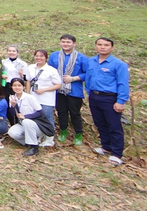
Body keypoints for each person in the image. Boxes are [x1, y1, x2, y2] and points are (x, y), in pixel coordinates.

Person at [86, 37, 130, 166]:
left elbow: (123, 83)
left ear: (112, 48)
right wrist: (89, 92)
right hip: (94, 96)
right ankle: (106, 146)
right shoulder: (91, 61)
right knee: (100, 123)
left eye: (106, 45)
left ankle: (116, 154)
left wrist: (120, 101)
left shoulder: (119, 64)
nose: (102, 47)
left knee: (114, 125)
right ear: (96, 46)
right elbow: (88, 77)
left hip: (110, 98)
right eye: (99, 44)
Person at [48, 34, 89, 146]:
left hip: (74, 90)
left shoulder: (82, 58)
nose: (65, 44)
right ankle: (63, 131)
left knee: (75, 113)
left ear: (74, 44)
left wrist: (73, 78)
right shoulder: (54, 56)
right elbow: (49, 70)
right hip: (58, 89)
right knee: (61, 112)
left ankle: (78, 134)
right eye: (63, 42)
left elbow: (87, 73)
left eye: (68, 42)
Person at [25, 50, 61, 147]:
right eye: (37, 56)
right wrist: (28, 94)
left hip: (46, 99)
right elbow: (28, 81)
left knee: (47, 118)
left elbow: (58, 85)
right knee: (34, 117)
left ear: (46, 57)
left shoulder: (51, 70)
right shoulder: (31, 67)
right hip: (33, 97)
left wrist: (44, 90)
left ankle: (49, 138)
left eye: (41, 56)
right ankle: (39, 135)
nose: (39, 58)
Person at [7, 78, 46, 156]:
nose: (17, 87)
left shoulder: (29, 97)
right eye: (14, 85)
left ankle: (34, 147)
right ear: (11, 87)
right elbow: (12, 114)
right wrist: (13, 106)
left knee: (26, 121)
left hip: (36, 124)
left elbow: (41, 112)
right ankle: (29, 142)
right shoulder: (12, 98)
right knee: (12, 132)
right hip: (23, 124)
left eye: (19, 85)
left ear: (23, 87)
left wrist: (25, 116)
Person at [1, 45, 28, 125]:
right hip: (6, 85)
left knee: (17, 104)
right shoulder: (3, 62)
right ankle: (11, 123)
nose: (11, 53)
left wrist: (21, 75)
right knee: (7, 105)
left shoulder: (22, 63)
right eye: (9, 51)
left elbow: (26, 78)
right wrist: (1, 76)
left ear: (17, 52)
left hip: (17, 86)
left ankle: (19, 122)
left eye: (13, 51)